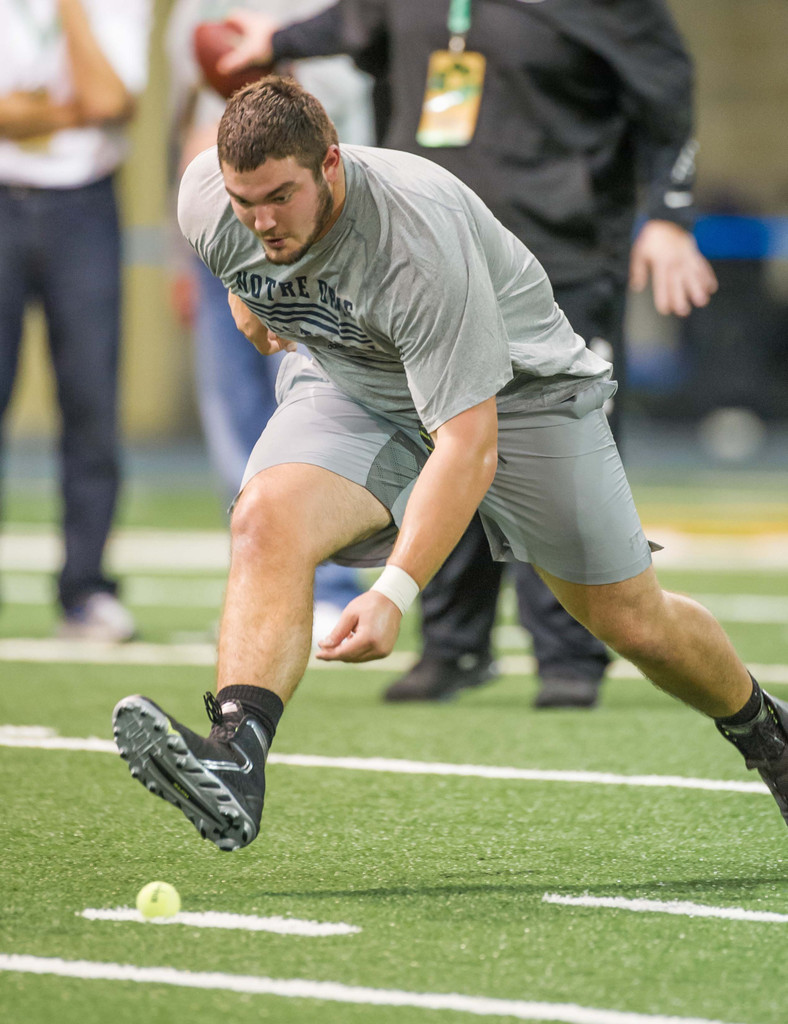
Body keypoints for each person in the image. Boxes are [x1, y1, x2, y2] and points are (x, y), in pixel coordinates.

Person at [113, 78, 787, 854]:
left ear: (331, 163)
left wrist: (394, 593)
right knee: (265, 518)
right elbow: (239, 263)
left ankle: (767, 735)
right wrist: (250, 294)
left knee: (634, 621)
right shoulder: (208, 199)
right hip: (355, 381)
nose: (262, 220)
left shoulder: (414, 235)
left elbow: (469, 445)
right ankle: (235, 757)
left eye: (280, 197)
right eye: (245, 201)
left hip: (518, 395)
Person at [212, 0, 719, 709]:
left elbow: (664, 85)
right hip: (413, 260)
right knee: (434, 427)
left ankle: (567, 651)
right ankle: (453, 642)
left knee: (539, 441)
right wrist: (280, 38)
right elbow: (360, 20)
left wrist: (668, 215)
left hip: (554, 253)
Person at [164, 0, 375, 641]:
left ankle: (330, 587)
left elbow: (359, 127)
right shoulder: (198, 9)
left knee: (315, 408)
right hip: (224, 231)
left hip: (317, 234)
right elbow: (184, 121)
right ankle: (258, 585)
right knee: (236, 418)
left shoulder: (338, 14)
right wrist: (181, 253)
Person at [0, 0, 152, 640]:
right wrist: (68, 113)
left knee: (90, 403)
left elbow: (110, 99)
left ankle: (85, 588)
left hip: (84, 206)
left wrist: (70, 11)